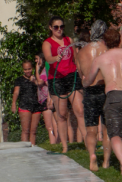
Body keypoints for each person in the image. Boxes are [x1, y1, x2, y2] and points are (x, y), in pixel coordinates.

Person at [83, 29, 122, 175]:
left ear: (104, 42)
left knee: (114, 134)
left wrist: (84, 83)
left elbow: (90, 80)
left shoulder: (100, 59)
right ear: (119, 40)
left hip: (114, 95)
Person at [42, 16, 86, 153]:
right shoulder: (47, 43)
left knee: (80, 110)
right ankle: (65, 146)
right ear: (51, 28)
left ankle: (87, 142)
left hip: (72, 75)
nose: (59, 29)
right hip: (57, 78)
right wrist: (56, 58)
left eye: (61, 26)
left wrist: (82, 73)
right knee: (61, 114)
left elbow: (76, 59)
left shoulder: (69, 40)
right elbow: (48, 59)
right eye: (56, 27)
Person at [76, 20, 112, 171]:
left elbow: (80, 74)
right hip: (105, 89)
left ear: (92, 32)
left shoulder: (82, 52)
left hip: (89, 90)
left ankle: (92, 154)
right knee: (106, 129)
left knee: (90, 129)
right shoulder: (107, 49)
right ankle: (106, 161)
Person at [11, 60, 46, 145]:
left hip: (36, 105)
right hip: (24, 105)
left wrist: (34, 81)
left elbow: (42, 85)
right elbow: (16, 92)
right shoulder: (19, 80)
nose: (27, 71)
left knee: (33, 131)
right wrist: (13, 103)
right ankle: (24, 150)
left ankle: (33, 148)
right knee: (25, 130)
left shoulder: (36, 78)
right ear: (23, 70)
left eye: (29, 69)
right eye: (25, 69)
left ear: (32, 68)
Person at [34, 53, 58, 144]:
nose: (36, 61)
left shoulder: (44, 70)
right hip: (47, 98)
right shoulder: (46, 70)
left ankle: (54, 142)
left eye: (37, 59)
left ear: (41, 59)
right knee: (53, 123)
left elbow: (40, 82)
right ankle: (56, 142)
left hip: (47, 98)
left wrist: (36, 70)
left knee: (50, 126)